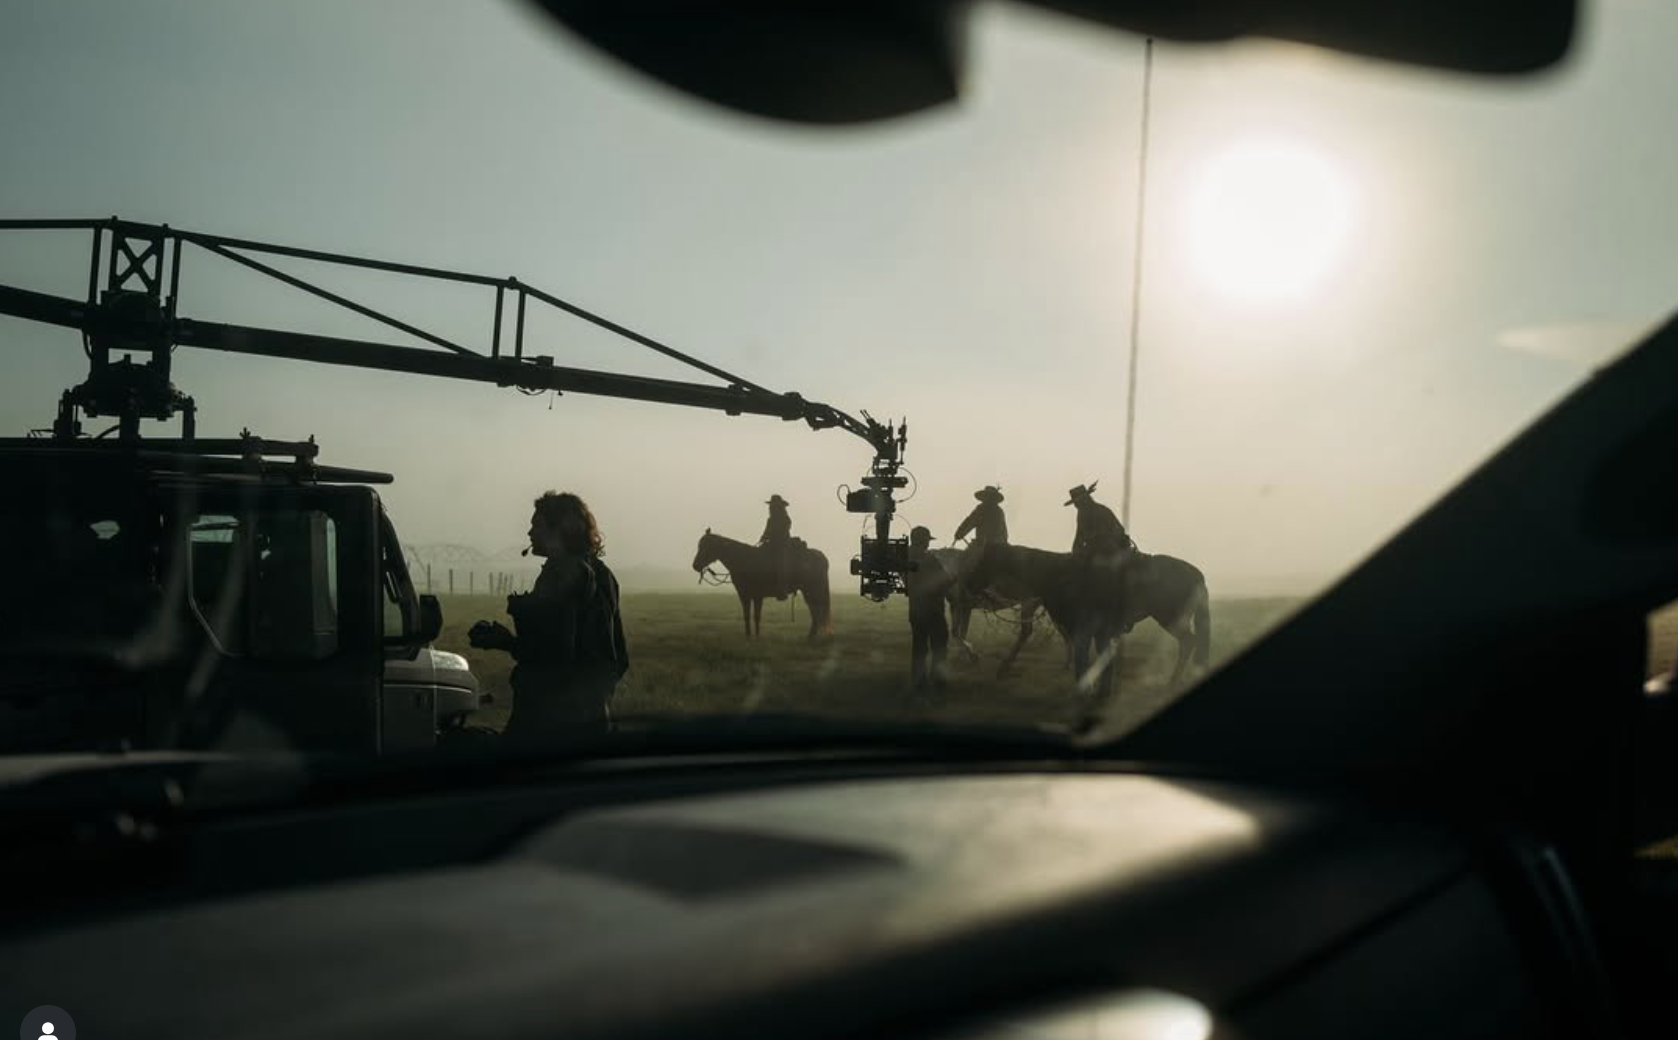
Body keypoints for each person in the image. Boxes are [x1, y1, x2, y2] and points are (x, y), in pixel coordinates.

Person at [470, 491, 628, 742]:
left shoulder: (562, 573)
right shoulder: (601, 573)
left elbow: (556, 652)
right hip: (589, 715)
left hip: (549, 720)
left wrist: (506, 641)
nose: (530, 533)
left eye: (537, 525)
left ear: (560, 530)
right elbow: (618, 657)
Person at [905, 525, 953, 691]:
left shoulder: (905, 557)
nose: (928, 545)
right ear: (924, 541)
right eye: (927, 541)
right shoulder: (930, 559)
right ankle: (938, 679)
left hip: (916, 609)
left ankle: (918, 680)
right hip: (933, 609)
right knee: (939, 644)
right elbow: (945, 580)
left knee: (919, 645)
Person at [1065, 481, 1132, 565]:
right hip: (1095, 551)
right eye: (1076, 503)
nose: (1076, 505)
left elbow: (1117, 532)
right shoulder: (1082, 515)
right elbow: (1079, 537)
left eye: (1078, 502)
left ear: (1086, 499)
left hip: (1112, 551)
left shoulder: (1101, 511)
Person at [758, 493, 794, 600]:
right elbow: (766, 531)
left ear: (778, 507)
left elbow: (783, 532)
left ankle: (782, 589)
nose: (770, 508)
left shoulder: (785, 519)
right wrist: (763, 538)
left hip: (783, 545)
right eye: (770, 506)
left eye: (772, 506)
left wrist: (771, 537)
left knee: (780, 563)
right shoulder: (770, 520)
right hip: (771, 545)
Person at [953, 485, 1008, 549]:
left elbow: (970, 521)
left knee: (967, 557)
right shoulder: (999, 511)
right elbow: (1004, 532)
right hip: (1001, 545)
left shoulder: (981, 509)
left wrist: (960, 533)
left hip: (984, 545)